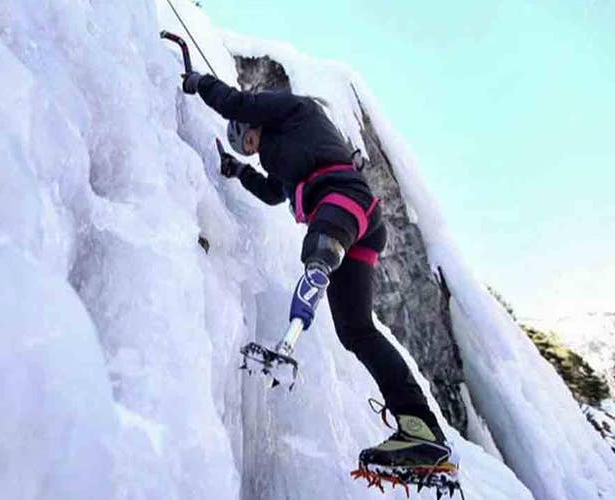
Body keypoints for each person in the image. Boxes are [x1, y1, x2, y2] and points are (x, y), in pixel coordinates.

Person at [180, 71, 456, 475]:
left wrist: (200, 84)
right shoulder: (278, 155)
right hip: (355, 225)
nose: (253, 150)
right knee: (355, 331)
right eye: (248, 150)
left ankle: (299, 319)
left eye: (249, 141)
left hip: (346, 200)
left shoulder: (293, 109)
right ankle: (420, 430)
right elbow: (276, 193)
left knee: (319, 251)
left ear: (251, 125)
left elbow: (236, 102)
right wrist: (238, 171)